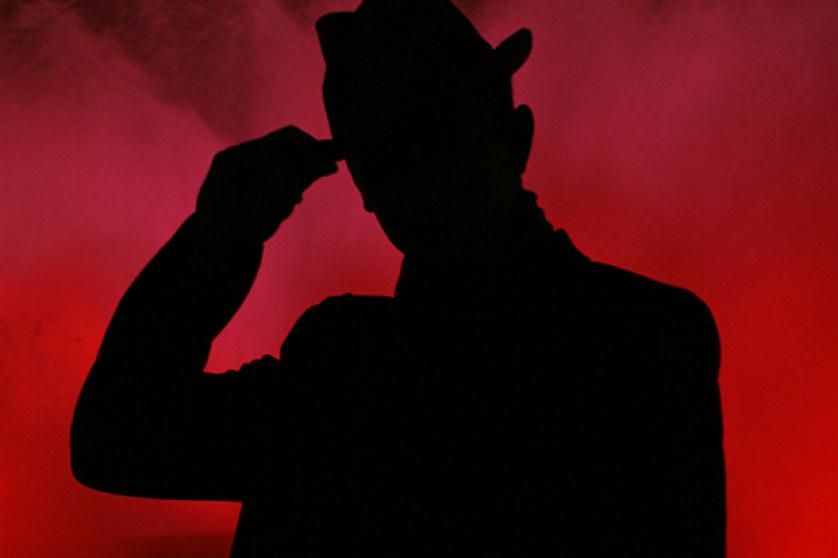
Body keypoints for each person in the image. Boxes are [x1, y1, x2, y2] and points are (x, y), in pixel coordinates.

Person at [71, 1, 725, 556]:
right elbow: (117, 440)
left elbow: (119, 435)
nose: (427, 182)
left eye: (440, 139)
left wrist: (218, 239)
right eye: (395, 160)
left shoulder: (343, 370)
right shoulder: (652, 336)